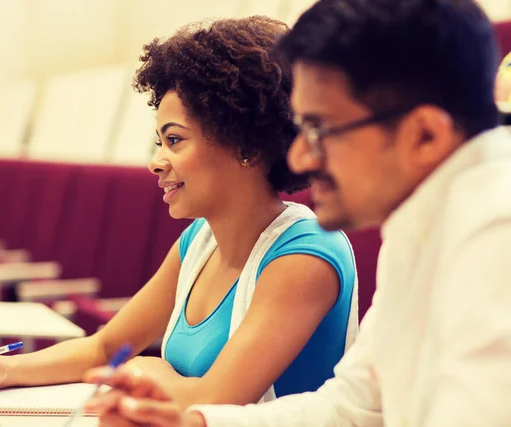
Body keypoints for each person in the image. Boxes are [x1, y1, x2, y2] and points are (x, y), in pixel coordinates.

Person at [79, 0, 511, 426]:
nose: (299, 156)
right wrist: (191, 422)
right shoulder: (419, 226)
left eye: (319, 129)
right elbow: (351, 408)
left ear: (425, 135)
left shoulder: (496, 237)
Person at [0, 16, 358, 410]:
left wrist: (142, 368)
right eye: (158, 141)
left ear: (244, 145)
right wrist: (0, 371)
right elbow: (106, 348)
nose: (156, 160)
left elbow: (213, 402)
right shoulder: (199, 241)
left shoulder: (306, 254)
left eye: (174, 140)